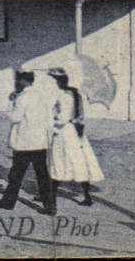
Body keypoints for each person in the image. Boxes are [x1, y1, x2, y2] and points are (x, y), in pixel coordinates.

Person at [0, 70, 55, 213]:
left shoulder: (22, 98)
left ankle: (8, 202)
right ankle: (50, 205)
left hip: (25, 143)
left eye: (17, 81)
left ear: (22, 81)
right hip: (40, 141)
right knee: (42, 174)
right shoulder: (42, 97)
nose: (16, 83)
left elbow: (15, 118)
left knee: (16, 174)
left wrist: (11, 103)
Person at [48, 68, 103, 206]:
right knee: (79, 162)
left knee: (58, 162)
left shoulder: (63, 96)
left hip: (64, 132)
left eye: (54, 80)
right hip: (75, 132)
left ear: (58, 81)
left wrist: (52, 122)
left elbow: (63, 118)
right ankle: (86, 195)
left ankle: (50, 197)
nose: (52, 83)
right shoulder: (75, 94)